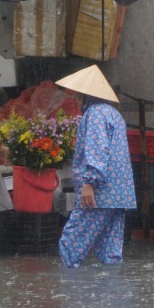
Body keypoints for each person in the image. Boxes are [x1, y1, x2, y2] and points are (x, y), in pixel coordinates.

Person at [55, 65, 136, 268]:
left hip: (100, 193)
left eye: (76, 94)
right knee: (110, 254)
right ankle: (111, 296)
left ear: (85, 94)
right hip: (119, 194)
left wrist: (89, 183)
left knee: (70, 244)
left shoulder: (95, 114)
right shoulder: (113, 114)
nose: (73, 98)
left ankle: (71, 294)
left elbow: (97, 150)